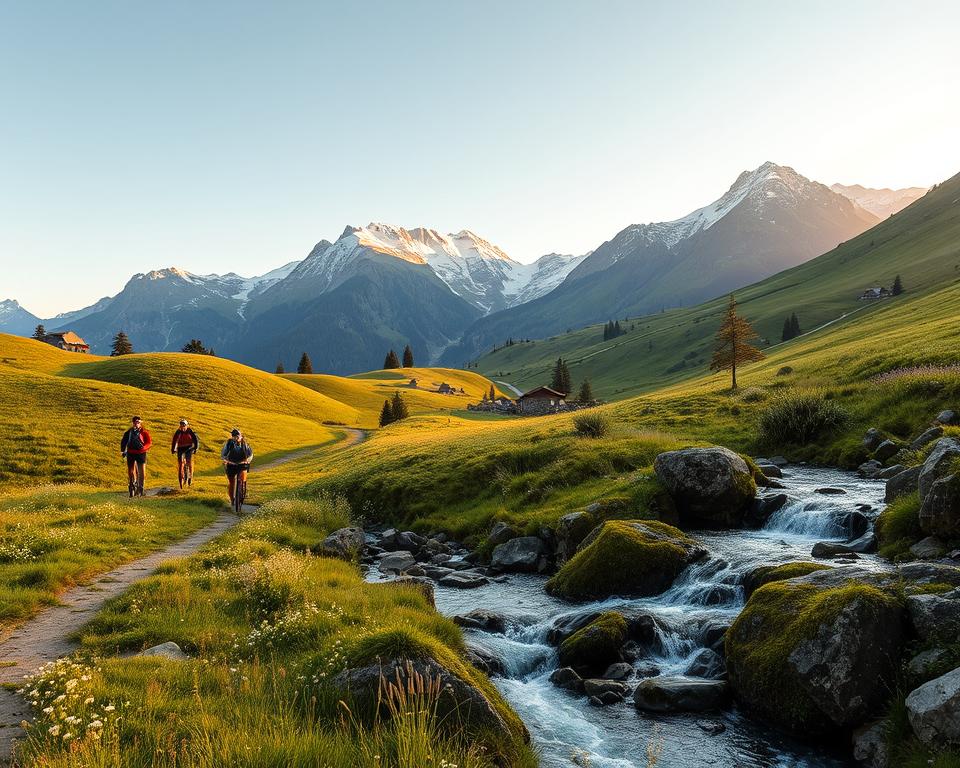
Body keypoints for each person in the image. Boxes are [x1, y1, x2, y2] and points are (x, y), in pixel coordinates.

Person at [120, 415, 152, 495]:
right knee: (131, 471)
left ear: (140, 423)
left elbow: (149, 442)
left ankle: (140, 488)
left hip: (141, 453)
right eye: (135, 422)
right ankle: (132, 484)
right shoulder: (128, 432)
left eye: (138, 422)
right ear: (133, 423)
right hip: (131, 453)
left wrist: (144, 448)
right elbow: (123, 442)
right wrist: (123, 451)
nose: (136, 424)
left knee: (142, 472)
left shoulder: (144, 432)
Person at [221, 428, 253, 505]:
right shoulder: (229, 443)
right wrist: (226, 461)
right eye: (233, 436)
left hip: (243, 463)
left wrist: (247, 461)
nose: (235, 438)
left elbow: (250, 455)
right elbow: (223, 454)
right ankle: (232, 500)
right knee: (231, 482)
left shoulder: (245, 444)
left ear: (241, 436)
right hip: (231, 463)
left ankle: (241, 491)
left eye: (237, 436)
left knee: (242, 478)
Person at [170, 419, 200, 487]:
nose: (182, 427)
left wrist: (195, 448)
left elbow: (195, 440)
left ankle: (190, 476)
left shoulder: (190, 431)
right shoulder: (178, 432)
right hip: (180, 448)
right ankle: (181, 479)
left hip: (189, 448)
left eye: (184, 425)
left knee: (188, 462)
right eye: (181, 425)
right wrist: (173, 449)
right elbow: (174, 441)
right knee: (180, 464)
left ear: (187, 426)